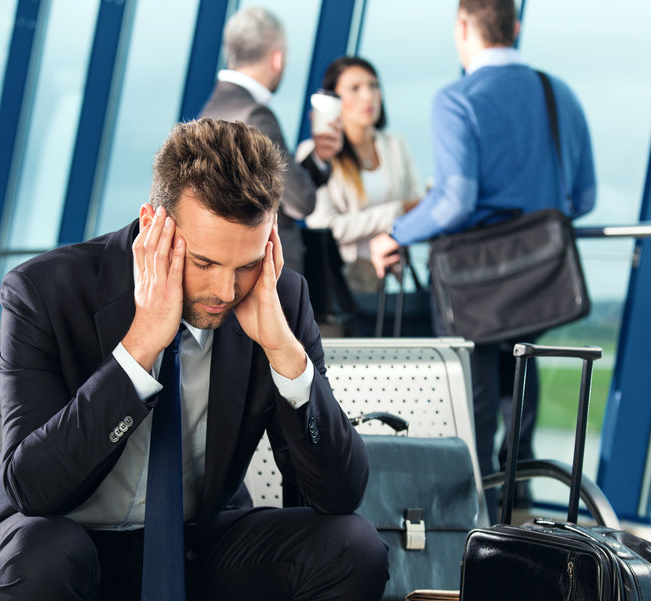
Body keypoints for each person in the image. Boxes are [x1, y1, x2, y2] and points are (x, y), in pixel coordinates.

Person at [0, 119, 389, 601]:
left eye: (246, 265)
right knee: (47, 553)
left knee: (354, 548)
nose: (225, 292)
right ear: (156, 226)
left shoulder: (278, 299)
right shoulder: (44, 291)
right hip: (55, 555)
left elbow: (339, 496)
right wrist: (139, 349)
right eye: (204, 263)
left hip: (191, 552)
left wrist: (284, 353)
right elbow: (30, 489)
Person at [369, 0, 596, 518]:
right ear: (515, 28)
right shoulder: (558, 94)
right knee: (522, 398)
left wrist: (398, 232)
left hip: (474, 286)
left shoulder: (457, 98)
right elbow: (581, 199)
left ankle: (477, 532)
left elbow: (456, 200)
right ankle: (521, 519)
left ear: (464, 26)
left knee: (472, 413)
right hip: (540, 279)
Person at [199, 6, 342, 276]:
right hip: (266, 275)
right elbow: (301, 201)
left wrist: (317, 159)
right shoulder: (256, 116)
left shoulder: (212, 110)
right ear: (277, 58)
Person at [295, 56, 423, 297]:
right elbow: (325, 226)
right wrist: (396, 212)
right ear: (333, 101)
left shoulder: (396, 145)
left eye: (373, 86)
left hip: (393, 278)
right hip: (344, 283)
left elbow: (418, 207)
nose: (368, 96)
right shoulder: (315, 155)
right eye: (355, 88)